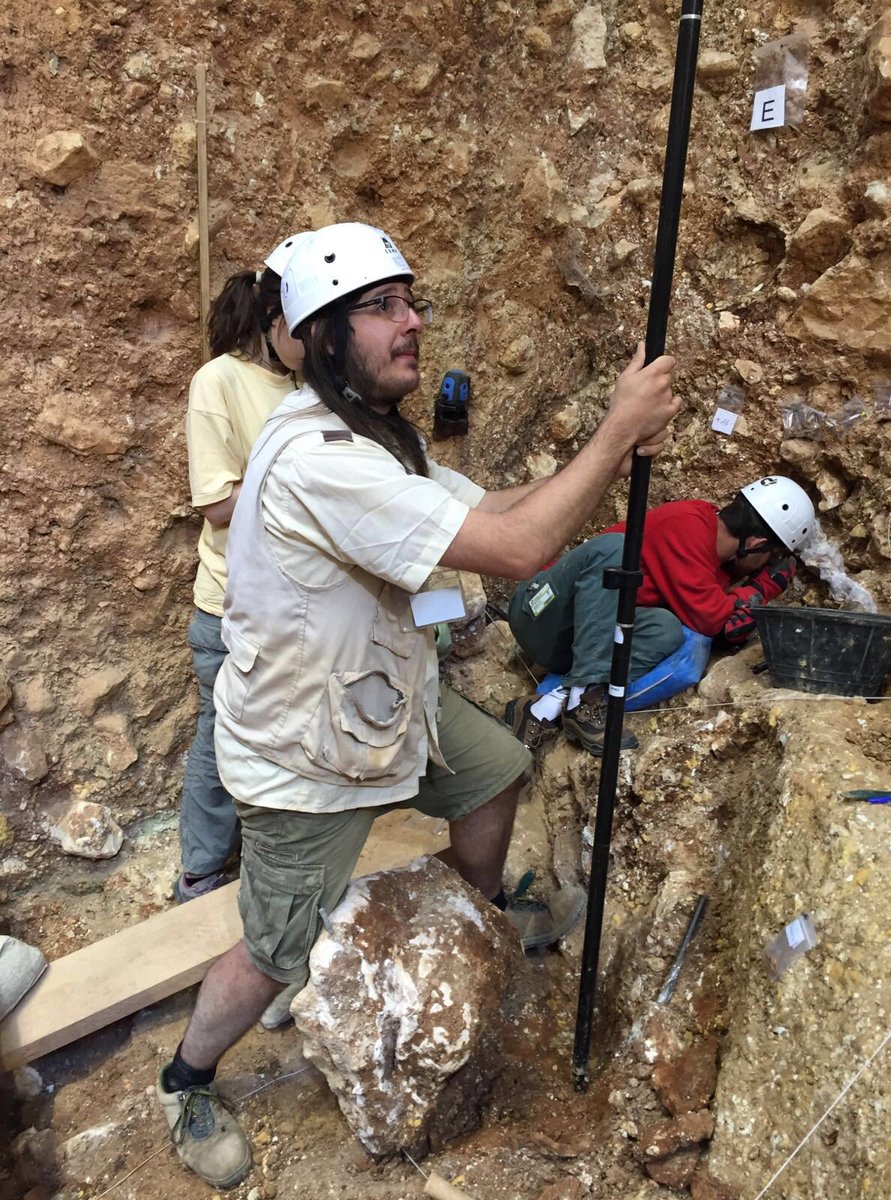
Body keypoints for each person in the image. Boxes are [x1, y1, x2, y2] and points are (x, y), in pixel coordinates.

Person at [154, 222, 679, 1189]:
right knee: (272, 949)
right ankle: (185, 1080)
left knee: (495, 769)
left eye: (412, 301)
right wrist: (615, 434)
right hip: (309, 749)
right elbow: (517, 547)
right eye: (384, 307)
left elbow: (491, 510)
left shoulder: (375, 436)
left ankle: (472, 918)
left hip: (381, 702)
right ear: (321, 334)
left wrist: (602, 457)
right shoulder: (321, 457)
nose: (414, 322)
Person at [176, 233, 310, 904]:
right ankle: (199, 872)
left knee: (284, 742)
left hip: (293, 608)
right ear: (272, 320)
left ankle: (272, 874)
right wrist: (302, 485)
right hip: (231, 609)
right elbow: (217, 505)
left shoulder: (304, 386)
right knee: (221, 739)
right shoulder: (219, 381)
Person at [505, 476, 816, 754]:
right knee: (614, 550)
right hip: (540, 613)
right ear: (756, 543)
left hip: (574, 644)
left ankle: (548, 708)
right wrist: (759, 589)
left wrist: (740, 597)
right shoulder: (688, 526)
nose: (765, 566)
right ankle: (580, 698)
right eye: (771, 557)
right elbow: (711, 617)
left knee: (666, 629)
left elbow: (713, 619)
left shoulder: (718, 564)